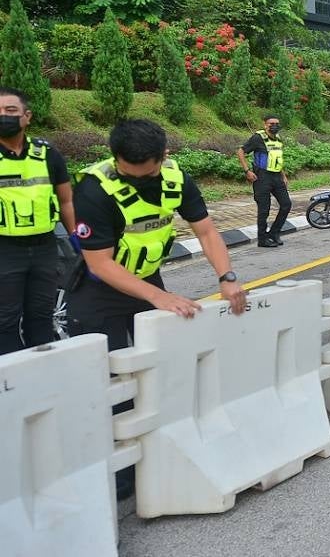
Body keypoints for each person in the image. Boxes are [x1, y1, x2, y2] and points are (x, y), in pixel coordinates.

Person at [69, 120, 248, 500]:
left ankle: (158, 453)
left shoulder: (175, 178)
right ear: (116, 157)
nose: (135, 180)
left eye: (144, 173)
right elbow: (99, 263)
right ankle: (116, 477)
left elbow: (207, 232)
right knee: (113, 384)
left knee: (159, 369)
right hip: (101, 293)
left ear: (162, 158)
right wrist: (156, 297)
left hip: (148, 283)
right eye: (127, 172)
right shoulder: (94, 188)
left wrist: (227, 276)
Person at [0, 87, 75, 355]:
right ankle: (11, 385)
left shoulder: (47, 154)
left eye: (10, 111)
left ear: (26, 116)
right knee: (5, 322)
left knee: (41, 317)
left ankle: (44, 378)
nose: (4, 116)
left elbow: (66, 201)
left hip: (45, 248)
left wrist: (76, 238)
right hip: (5, 250)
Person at [238, 115, 291, 248]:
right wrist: (247, 171)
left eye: (277, 123)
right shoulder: (258, 138)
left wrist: (283, 175)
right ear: (265, 124)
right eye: (271, 123)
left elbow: (278, 159)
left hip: (277, 177)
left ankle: (274, 233)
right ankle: (262, 239)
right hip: (262, 177)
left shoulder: (278, 139)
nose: (274, 126)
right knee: (264, 210)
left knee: (286, 205)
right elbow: (241, 151)